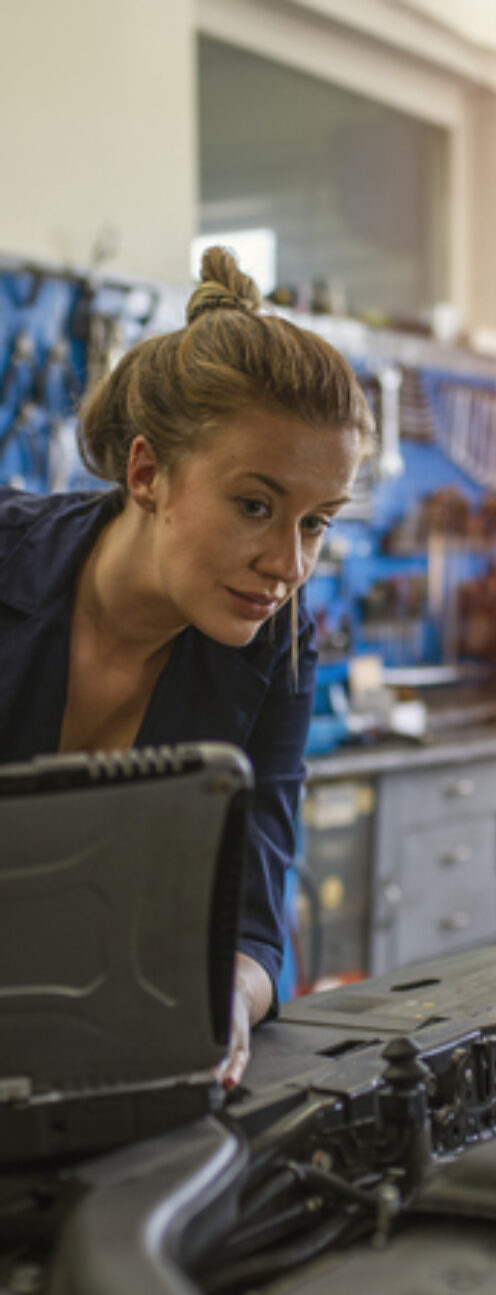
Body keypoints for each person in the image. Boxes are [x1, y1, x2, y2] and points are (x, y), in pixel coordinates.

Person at [0, 246, 374, 1085]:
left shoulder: (278, 646)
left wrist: (227, 1003)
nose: (289, 565)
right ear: (147, 474)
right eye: (255, 506)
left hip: (78, 1050)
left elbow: (252, 920)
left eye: (316, 523)